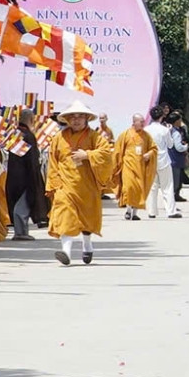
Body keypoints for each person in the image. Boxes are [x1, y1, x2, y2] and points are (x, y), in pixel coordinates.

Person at [47, 99, 116, 265]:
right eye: (72, 117)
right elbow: (52, 161)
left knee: (86, 220)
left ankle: (87, 244)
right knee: (65, 216)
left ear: (86, 119)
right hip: (65, 185)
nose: (76, 120)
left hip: (87, 185)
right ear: (67, 120)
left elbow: (106, 154)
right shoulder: (59, 138)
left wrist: (88, 155)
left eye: (80, 117)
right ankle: (66, 253)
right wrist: (54, 183)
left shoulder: (94, 137)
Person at [6, 111, 45, 240]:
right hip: (26, 174)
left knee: (19, 202)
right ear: (31, 120)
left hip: (14, 174)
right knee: (23, 203)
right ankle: (21, 232)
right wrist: (35, 175)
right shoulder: (28, 135)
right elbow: (32, 158)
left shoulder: (16, 134)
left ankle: (21, 231)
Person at [116, 114, 154, 222]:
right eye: (140, 121)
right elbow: (118, 150)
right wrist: (117, 164)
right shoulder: (125, 134)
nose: (142, 123)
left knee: (138, 189)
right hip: (128, 166)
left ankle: (135, 213)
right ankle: (128, 209)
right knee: (128, 188)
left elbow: (153, 148)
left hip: (140, 167)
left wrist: (149, 154)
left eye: (143, 121)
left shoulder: (146, 136)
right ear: (134, 122)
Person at [145, 109, 176, 219]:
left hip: (151, 160)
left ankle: (152, 211)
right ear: (161, 116)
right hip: (163, 159)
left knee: (152, 187)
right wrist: (170, 131)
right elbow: (170, 145)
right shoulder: (165, 130)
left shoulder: (146, 130)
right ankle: (170, 211)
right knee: (167, 186)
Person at [168, 116, 189, 204]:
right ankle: (172, 201)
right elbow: (179, 147)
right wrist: (186, 147)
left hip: (171, 158)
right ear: (176, 121)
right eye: (180, 120)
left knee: (173, 180)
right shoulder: (176, 133)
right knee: (175, 182)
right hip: (176, 159)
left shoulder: (169, 130)